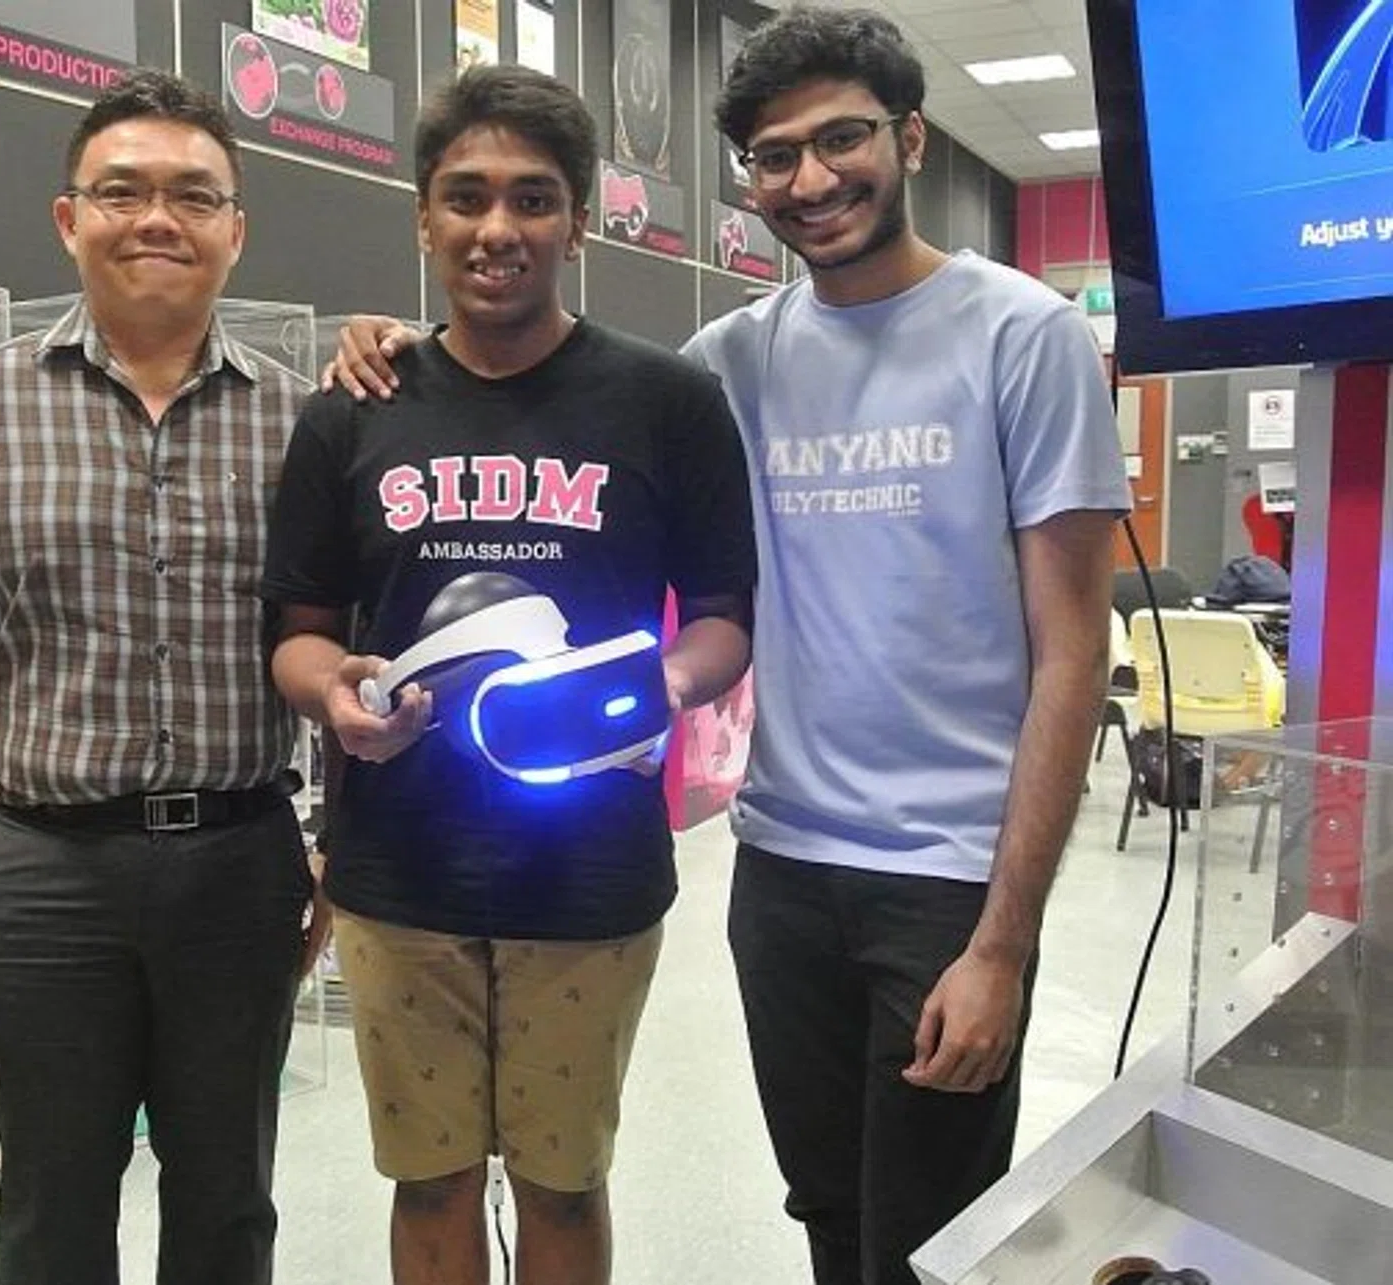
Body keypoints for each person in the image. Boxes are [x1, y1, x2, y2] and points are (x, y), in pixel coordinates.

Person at [321, 10, 1129, 1284]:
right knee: (829, 1213)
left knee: (929, 1238)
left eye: (842, 140)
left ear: (909, 136)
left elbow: (1073, 656)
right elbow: (546, 388)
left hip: (946, 874)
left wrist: (1005, 939)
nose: (810, 181)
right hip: (784, 861)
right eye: (772, 156)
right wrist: (385, 341)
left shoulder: (1023, 335)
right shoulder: (723, 365)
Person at [262, 64, 757, 1285]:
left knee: (565, 1183)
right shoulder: (352, 413)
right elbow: (297, 628)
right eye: (466, 198)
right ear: (422, 218)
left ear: (578, 220)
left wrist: (654, 691)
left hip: (590, 868)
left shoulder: (669, 401)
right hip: (397, 870)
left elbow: (725, 620)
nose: (498, 230)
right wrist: (333, 694)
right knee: (425, 1180)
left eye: (533, 200)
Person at [0, 70, 327, 1285]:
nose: (156, 218)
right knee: (54, 1205)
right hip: (42, 872)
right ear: (71, 219)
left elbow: (342, 639)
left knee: (229, 1198)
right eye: (122, 191)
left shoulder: (303, 421)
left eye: (192, 194)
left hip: (238, 860)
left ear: (236, 228)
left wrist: (335, 849)